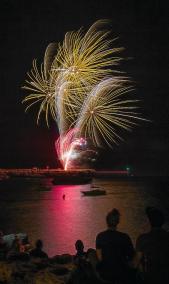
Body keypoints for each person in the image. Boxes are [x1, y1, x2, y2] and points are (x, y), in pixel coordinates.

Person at [96, 208, 135, 283]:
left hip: (106, 273)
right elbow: (131, 256)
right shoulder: (124, 237)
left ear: (107, 222)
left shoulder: (100, 236)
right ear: (118, 222)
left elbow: (100, 257)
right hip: (121, 273)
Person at [136, 206, 169, 284]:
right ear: (163, 222)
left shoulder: (142, 239)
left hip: (151, 278)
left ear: (150, 222)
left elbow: (137, 262)